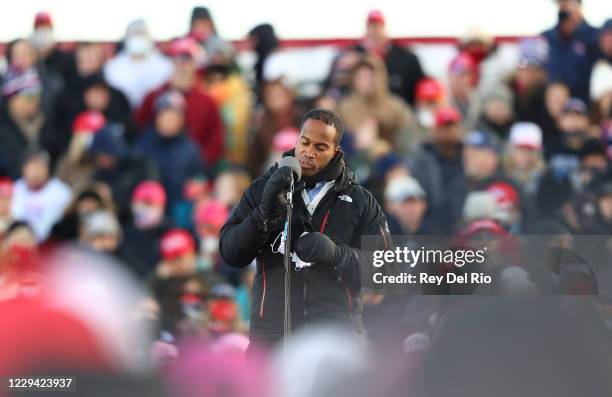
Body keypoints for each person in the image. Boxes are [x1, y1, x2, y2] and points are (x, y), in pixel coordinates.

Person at [219, 108, 392, 350]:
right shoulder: (263, 188)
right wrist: (263, 215)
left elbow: (384, 270)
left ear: (335, 152)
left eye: (320, 147)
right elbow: (230, 252)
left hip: (334, 338)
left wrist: (336, 254)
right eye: (305, 142)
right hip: (270, 337)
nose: (309, 153)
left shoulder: (361, 201)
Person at [136, 37, 224, 167]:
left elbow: (215, 141)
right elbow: (140, 130)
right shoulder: (152, 97)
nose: (182, 64)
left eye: (187, 59)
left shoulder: (207, 102)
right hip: (155, 170)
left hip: (193, 174)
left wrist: (197, 166)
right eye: (178, 58)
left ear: (195, 64)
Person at [134, 90, 206, 214]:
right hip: (147, 210)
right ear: (157, 117)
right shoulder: (142, 145)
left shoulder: (191, 149)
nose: (169, 119)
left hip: (179, 212)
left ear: (181, 120)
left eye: (174, 116)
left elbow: (198, 181)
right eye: (165, 114)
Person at [0, 67, 62, 178]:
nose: (35, 102)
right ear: (12, 99)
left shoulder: (46, 124)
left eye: (37, 96)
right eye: (29, 97)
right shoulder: (3, 128)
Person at [355, 10, 425, 106]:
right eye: (372, 26)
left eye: (379, 25)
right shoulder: (350, 57)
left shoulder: (407, 57)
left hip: (401, 111)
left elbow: (422, 85)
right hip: (363, 111)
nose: (376, 30)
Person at [104, 20, 173, 109]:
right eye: (134, 34)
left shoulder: (166, 65)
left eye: (141, 33)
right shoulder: (112, 67)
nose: (138, 38)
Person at [541, 0, 601, 103]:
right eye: (562, 4)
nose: (566, 9)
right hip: (553, 100)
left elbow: (602, 53)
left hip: (584, 99)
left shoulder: (593, 35)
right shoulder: (547, 37)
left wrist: (580, 25)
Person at [10, 150, 72, 241]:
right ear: (23, 169)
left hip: (51, 243)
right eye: (32, 168)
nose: (35, 173)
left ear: (48, 169)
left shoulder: (62, 192)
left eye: (39, 168)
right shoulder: (15, 189)